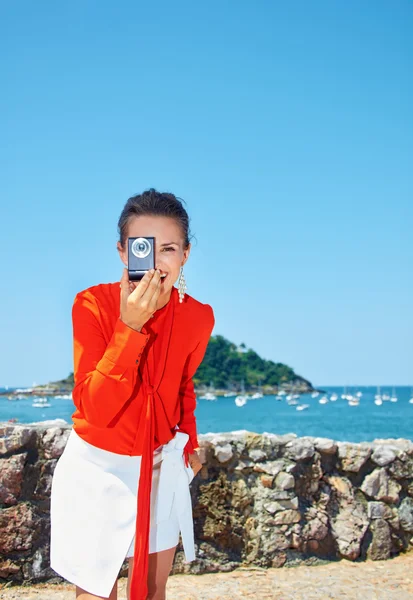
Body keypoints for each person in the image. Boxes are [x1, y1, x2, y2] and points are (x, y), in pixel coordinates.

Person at [50, 188, 215, 600]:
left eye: (170, 249)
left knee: (153, 588)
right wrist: (130, 326)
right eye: (145, 247)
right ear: (124, 253)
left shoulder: (199, 316)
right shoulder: (92, 304)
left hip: (160, 462)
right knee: (95, 591)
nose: (158, 263)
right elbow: (94, 407)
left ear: (186, 255)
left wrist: (189, 442)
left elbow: (182, 386)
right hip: (97, 465)